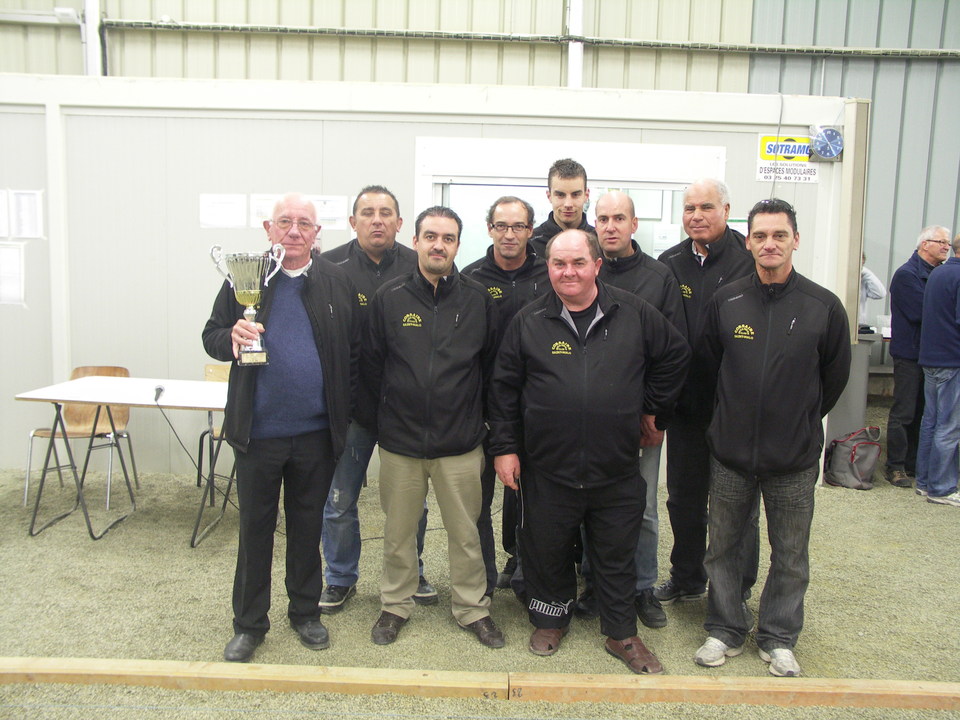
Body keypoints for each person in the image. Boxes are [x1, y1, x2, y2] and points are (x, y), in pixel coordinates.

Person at [488, 229, 690, 674]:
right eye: (559, 264)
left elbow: (676, 354)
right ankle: (549, 620)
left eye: (578, 262)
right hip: (547, 467)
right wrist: (504, 449)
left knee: (616, 553)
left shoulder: (634, 314)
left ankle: (622, 634)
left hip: (615, 466)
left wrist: (653, 411)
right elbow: (502, 390)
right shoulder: (528, 321)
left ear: (597, 265)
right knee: (547, 548)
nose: (568, 272)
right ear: (549, 268)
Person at [694, 198, 850, 677]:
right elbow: (706, 370)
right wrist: (729, 424)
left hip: (794, 459)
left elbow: (834, 377)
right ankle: (725, 629)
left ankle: (779, 636)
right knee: (722, 547)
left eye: (779, 235)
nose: (769, 244)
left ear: (795, 240)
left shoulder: (824, 306)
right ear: (748, 242)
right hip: (731, 456)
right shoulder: (727, 301)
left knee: (790, 554)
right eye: (760, 236)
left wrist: (799, 419)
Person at [202, 193, 359, 663]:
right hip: (259, 434)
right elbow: (211, 335)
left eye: (304, 224)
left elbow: (351, 355)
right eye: (285, 222)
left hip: (314, 435)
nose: (294, 230)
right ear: (268, 229)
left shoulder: (336, 281)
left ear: (317, 234)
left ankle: (305, 613)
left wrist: (342, 417)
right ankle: (250, 625)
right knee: (255, 530)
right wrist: (230, 337)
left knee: (307, 527)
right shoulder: (243, 278)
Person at [363, 206, 504, 648]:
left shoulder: (479, 300)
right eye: (430, 236)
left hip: (460, 446)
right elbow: (371, 367)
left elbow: (492, 371)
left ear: (459, 245)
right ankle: (395, 605)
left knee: (466, 535)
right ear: (416, 241)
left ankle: (471, 609)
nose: (438, 245)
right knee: (399, 532)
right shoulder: (389, 298)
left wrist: (484, 427)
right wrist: (383, 423)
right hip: (401, 445)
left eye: (447, 237)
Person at [318, 185, 436, 615]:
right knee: (339, 500)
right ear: (353, 222)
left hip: (404, 413)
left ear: (401, 224)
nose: (377, 220)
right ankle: (340, 577)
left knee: (411, 503)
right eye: (367, 212)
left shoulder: (418, 264)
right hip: (351, 411)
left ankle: (413, 571)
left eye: (386, 212)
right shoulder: (327, 267)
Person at [572, 190, 684, 629]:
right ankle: (596, 585)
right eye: (602, 218)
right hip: (588, 425)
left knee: (642, 509)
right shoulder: (578, 272)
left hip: (639, 423)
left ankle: (641, 588)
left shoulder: (659, 278)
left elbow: (675, 352)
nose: (611, 226)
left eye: (619, 218)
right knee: (589, 505)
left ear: (634, 224)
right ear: (592, 224)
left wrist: (655, 414)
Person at [655, 179, 758, 607]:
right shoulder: (669, 263)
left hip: (734, 409)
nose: (696, 215)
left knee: (737, 507)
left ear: (727, 209)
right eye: (690, 208)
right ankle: (687, 576)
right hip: (685, 408)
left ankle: (735, 588)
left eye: (706, 207)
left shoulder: (747, 260)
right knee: (684, 499)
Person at [461, 196, 548, 595]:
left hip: (539, 409)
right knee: (478, 502)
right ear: (490, 228)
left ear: (531, 231)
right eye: (501, 226)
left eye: (518, 226)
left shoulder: (550, 275)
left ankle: (526, 571)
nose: (509, 234)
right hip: (481, 409)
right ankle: (482, 582)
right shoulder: (469, 279)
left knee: (533, 498)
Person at [885, 225, 950, 488]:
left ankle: (913, 463)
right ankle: (895, 467)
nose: (946, 246)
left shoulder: (938, 274)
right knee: (904, 412)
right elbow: (921, 313)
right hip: (909, 355)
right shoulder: (906, 275)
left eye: (947, 242)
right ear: (925, 245)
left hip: (930, 354)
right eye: (941, 242)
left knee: (923, 412)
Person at [915, 232, 960, 507]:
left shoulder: (939, 274)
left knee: (930, 421)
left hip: (931, 358)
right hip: (952, 360)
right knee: (949, 426)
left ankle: (924, 482)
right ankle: (942, 488)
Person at [529, 158, 594, 257]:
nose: (568, 204)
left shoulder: (600, 242)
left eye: (575, 195)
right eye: (560, 195)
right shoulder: (530, 244)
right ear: (549, 196)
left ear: (586, 195)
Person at [859, 254, 886, 331]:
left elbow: (880, 293)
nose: (860, 268)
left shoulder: (863, 280)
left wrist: (865, 273)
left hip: (860, 327)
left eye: (862, 265)